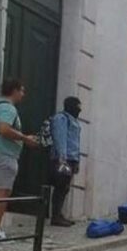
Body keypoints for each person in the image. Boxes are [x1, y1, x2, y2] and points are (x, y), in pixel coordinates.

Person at [0, 78, 38, 241]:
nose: (23, 94)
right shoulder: (9, 109)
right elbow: (4, 129)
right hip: (4, 155)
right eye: (22, 90)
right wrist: (25, 138)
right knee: (2, 193)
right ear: (14, 90)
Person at [48, 96, 82, 227]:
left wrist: (77, 161)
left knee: (65, 187)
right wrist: (62, 158)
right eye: (78, 107)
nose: (80, 110)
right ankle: (55, 216)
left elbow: (75, 143)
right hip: (63, 159)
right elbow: (60, 138)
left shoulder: (74, 121)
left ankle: (59, 213)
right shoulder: (61, 118)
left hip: (71, 159)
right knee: (60, 186)